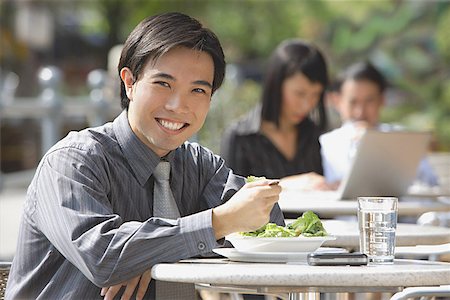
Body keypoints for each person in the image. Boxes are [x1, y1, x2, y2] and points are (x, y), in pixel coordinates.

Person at [5, 12, 284, 300]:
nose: (178, 105)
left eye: (198, 90)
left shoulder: (201, 165)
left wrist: (152, 252)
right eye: (163, 84)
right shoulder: (73, 162)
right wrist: (213, 225)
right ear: (129, 81)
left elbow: (268, 223)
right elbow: (104, 257)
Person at [221, 39, 333, 191]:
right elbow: (229, 200)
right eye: (299, 94)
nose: (307, 105)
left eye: (316, 95)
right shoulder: (240, 137)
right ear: (275, 86)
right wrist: (284, 185)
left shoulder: (315, 135)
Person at [320, 61, 438, 187]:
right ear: (337, 101)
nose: (360, 112)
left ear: (382, 100)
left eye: (369, 101)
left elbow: (430, 183)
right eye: (353, 102)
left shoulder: (401, 137)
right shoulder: (326, 142)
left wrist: (379, 143)